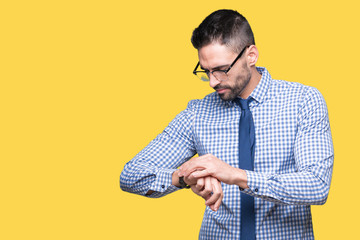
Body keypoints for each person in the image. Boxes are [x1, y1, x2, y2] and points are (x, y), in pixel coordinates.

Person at [120, 9, 334, 239]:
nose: (213, 81)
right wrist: (186, 176)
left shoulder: (303, 101)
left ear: (251, 55)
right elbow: (131, 175)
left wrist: (235, 175)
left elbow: (316, 185)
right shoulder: (197, 113)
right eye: (206, 71)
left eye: (222, 70)